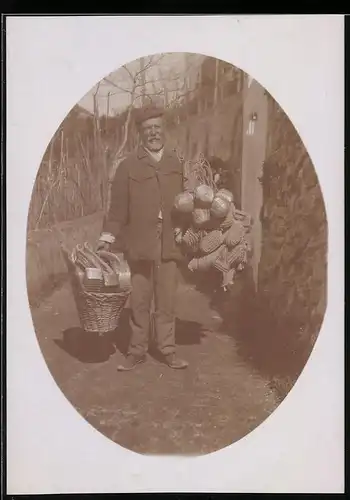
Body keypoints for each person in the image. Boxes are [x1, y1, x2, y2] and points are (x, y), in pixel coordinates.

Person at [97, 104, 189, 372]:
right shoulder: (127, 166)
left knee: (166, 302)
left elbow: (189, 202)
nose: (153, 133)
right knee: (139, 301)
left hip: (170, 243)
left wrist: (189, 229)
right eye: (147, 129)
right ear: (140, 133)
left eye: (157, 128)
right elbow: (117, 210)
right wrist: (107, 237)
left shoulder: (177, 163)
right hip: (139, 244)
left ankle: (168, 350)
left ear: (164, 130)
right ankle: (136, 351)